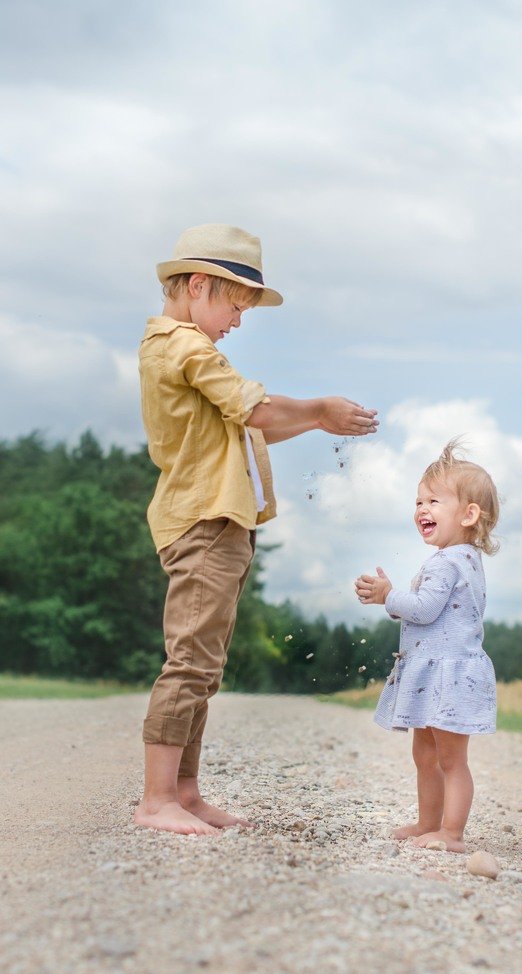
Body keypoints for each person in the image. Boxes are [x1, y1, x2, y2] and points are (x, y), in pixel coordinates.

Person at [134, 223, 378, 836]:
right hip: (204, 519)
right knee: (189, 662)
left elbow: (255, 426)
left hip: (223, 521)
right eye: (234, 305)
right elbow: (258, 409)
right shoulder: (184, 348)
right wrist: (321, 409)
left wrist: (317, 422)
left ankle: (184, 793)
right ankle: (156, 798)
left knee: (205, 666)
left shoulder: (190, 351)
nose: (238, 322)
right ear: (196, 286)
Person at [354, 440, 499, 853]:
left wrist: (388, 595)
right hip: (435, 672)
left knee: (450, 760)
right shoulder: (463, 558)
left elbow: (425, 608)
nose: (421, 509)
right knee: (425, 754)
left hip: (448, 675)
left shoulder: (447, 561)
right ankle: (427, 822)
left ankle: (450, 833)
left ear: (469, 514)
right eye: (418, 501)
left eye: (434, 500)